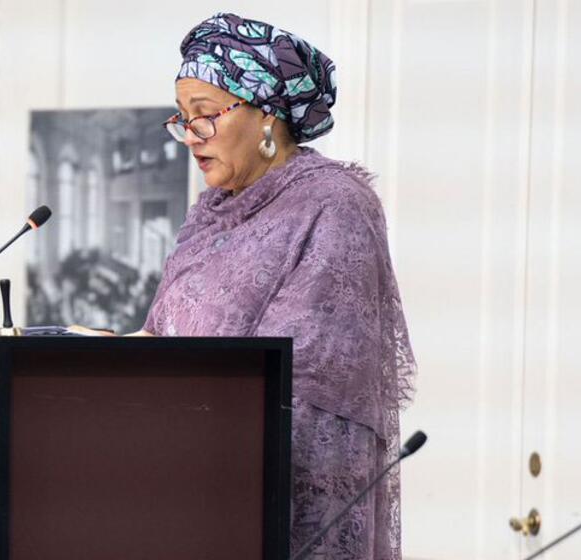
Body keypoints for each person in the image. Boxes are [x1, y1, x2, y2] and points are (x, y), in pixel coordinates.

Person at [87, 12, 418, 558]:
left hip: (278, 504)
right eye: (181, 118)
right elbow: (165, 335)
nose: (188, 135)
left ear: (266, 115)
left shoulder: (332, 206)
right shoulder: (214, 212)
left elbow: (305, 386)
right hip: (183, 487)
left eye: (205, 115)